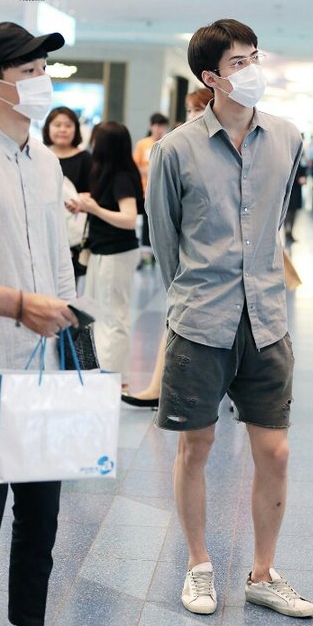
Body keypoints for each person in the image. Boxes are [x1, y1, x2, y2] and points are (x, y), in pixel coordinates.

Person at [146, 18, 313, 618]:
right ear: (210, 77)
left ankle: (263, 573)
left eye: (254, 57)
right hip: (201, 320)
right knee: (197, 446)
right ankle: (198, 565)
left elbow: (277, 220)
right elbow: (164, 240)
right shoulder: (175, 150)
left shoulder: (289, 138)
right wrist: (191, 297)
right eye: (238, 62)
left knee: (276, 451)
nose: (251, 70)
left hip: (267, 319)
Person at [0, 21, 76, 626]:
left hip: (46, 369)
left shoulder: (46, 164)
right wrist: (18, 305)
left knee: (41, 517)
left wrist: (77, 356)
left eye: (45, 70)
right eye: (29, 71)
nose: (43, 82)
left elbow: (60, 265)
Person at [122, 88, 214, 408]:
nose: (192, 116)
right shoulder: (176, 146)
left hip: (219, 258)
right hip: (190, 256)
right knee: (176, 319)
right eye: (189, 110)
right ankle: (159, 387)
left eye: (198, 108)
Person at [65, 121, 142, 393]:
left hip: (116, 252)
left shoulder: (122, 176)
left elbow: (129, 218)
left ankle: (115, 379)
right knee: (99, 312)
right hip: (101, 250)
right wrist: (85, 205)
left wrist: (94, 209)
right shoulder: (106, 173)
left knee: (113, 315)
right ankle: (104, 373)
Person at [42, 106, 92, 280]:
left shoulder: (85, 159)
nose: (62, 129)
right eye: (57, 125)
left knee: (68, 283)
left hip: (73, 232)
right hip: (43, 227)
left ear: (76, 129)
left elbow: (91, 193)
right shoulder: (40, 155)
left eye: (68, 125)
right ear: (48, 128)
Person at [133, 112, 169, 265]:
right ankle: (146, 254)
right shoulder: (143, 144)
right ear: (151, 126)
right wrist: (147, 171)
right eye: (156, 125)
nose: (159, 129)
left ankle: (159, 253)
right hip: (145, 189)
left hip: (162, 190)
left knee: (161, 221)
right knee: (146, 222)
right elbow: (135, 166)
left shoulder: (168, 142)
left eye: (162, 126)